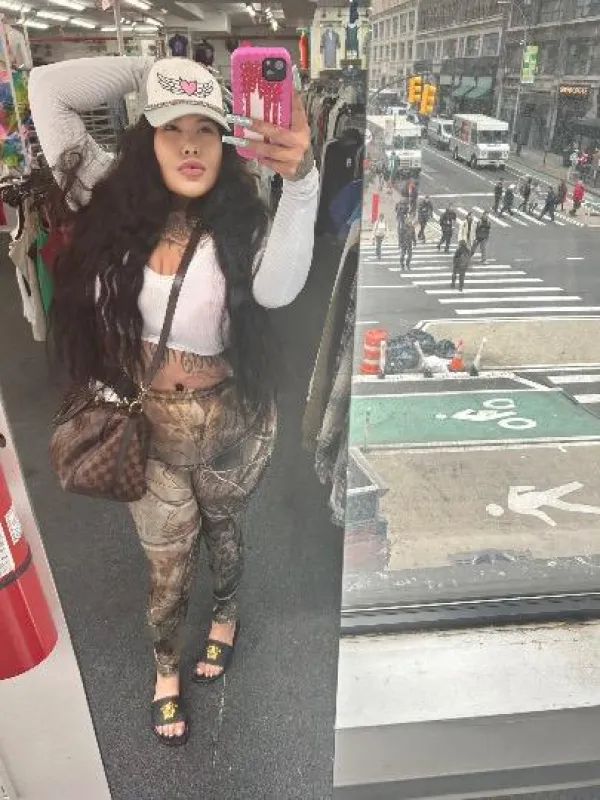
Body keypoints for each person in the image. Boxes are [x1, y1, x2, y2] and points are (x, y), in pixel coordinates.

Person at [29, 55, 317, 746]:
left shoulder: (242, 226)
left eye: (206, 129)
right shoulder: (109, 199)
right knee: (164, 558)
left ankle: (225, 614)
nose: (190, 145)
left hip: (230, 423)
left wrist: (304, 182)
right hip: (148, 429)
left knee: (225, 533)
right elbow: (47, 90)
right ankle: (165, 668)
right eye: (171, 128)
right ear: (145, 140)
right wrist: (155, 69)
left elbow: (279, 291)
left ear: (225, 141)